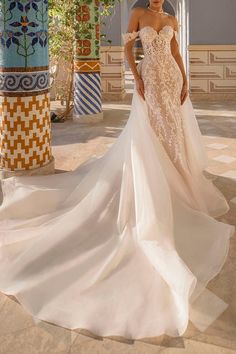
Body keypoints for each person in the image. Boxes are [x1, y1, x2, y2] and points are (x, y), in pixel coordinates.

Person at [0, 0, 235, 340]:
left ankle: (176, 181)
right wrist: (135, 78)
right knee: (152, 131)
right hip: (150, 77)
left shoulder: (171, 18)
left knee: (172, 132)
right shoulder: (139, 13)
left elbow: (176, 53)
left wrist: (184, 81)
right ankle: (156, 180)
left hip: (170, 77)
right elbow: (128, 49)